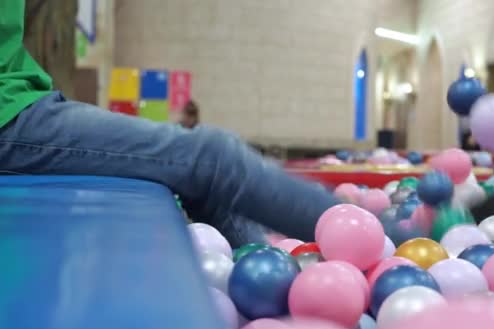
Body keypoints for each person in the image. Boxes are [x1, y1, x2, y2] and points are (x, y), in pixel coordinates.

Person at [0, 0, 338, 247]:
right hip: (10, 117)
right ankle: (374, 243)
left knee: (208, 177)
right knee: (213, 158)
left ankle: (273, 287)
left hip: (23, 98)